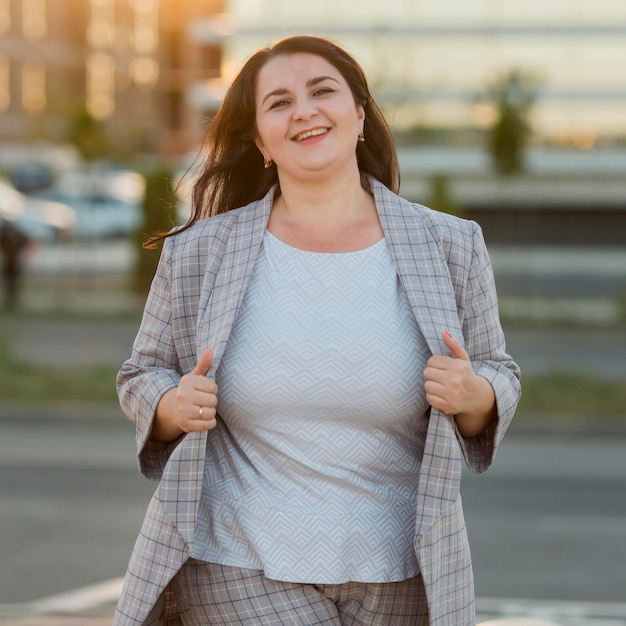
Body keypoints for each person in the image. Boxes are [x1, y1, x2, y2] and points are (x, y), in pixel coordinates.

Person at [115, 35, 521, 626]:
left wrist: (475, 395)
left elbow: (498, 372)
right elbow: (140, 373)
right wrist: (173, 405)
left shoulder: (451, 245)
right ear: (260, 140)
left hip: (402, 567)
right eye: (279, 102)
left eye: (322, 91)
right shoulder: (200, 253)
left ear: (359, 114)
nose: (303, 110)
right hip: (238, 556)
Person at [0, 218, 29, 311]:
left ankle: (12, 301)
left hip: (12, 261)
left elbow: (24, 241)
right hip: (10, 261)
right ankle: (11, 301)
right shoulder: (7, 235)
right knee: (10, 283)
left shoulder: (10, 235)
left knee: (12, 283)